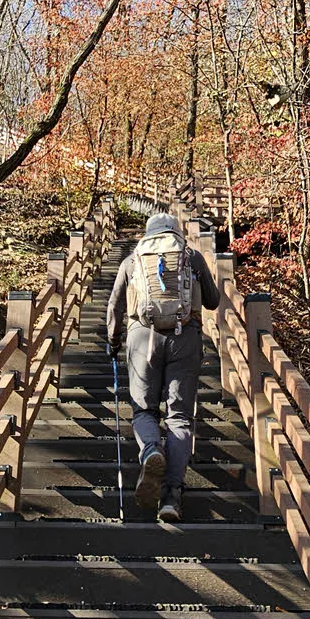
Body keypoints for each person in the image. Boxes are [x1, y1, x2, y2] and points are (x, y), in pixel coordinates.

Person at [106, 212, 220, 522]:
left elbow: (115, 304)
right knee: (179, 417)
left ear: (148, 234)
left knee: (144, 411)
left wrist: (113, 341)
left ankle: (151, 451)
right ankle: (172, 497)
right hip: (185, 339)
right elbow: (213, 300)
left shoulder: (132, 260)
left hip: (142, 340)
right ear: (177, 232)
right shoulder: (190, 256)